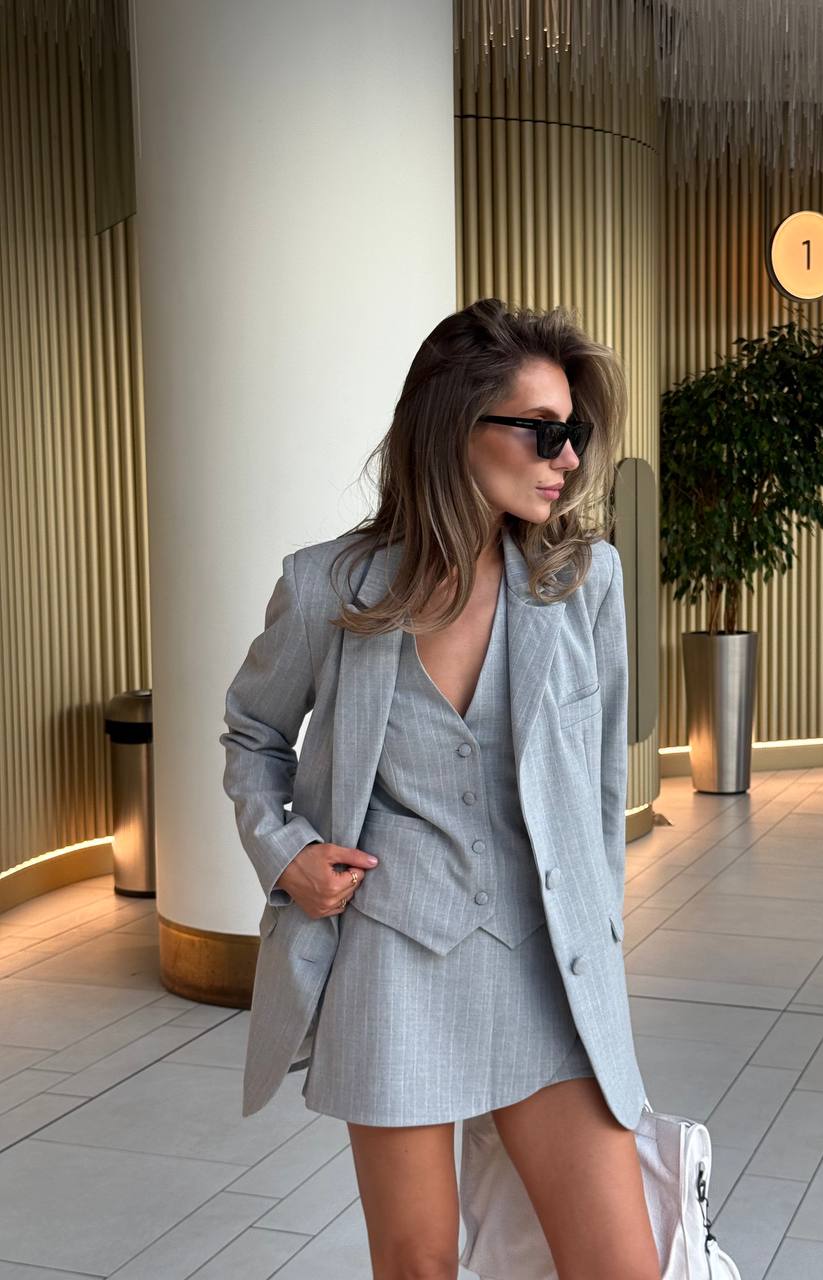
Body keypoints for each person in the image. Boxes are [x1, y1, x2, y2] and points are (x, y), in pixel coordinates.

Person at [220, 297, 661, 1280]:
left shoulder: (585, 582)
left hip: (545, 967)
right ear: (456, 426)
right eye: (544, 432)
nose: (569, 458)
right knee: (417, 1265)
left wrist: (599, 924)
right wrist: (286, 852)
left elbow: (595, 790)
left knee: (621, 1263)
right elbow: (252, 732)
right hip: (394, 962)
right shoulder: (329, 586)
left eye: (576, 434)